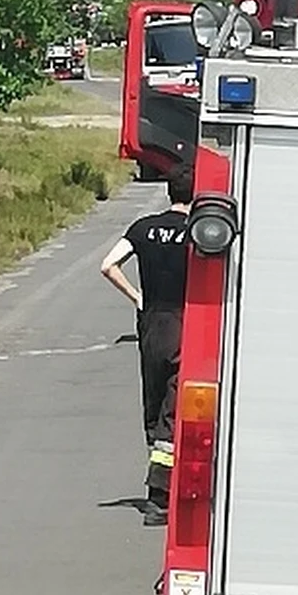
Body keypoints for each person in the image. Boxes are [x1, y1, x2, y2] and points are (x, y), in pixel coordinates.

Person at [100, 163, 194, 526]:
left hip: (152, 324)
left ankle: (159, 488)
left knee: (154, 409)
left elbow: (108, 265)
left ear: (170, 192)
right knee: (176, 412)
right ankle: (162, 496)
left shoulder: (143, 228)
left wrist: (138, 297)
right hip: (188, 324)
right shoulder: (199, 232)